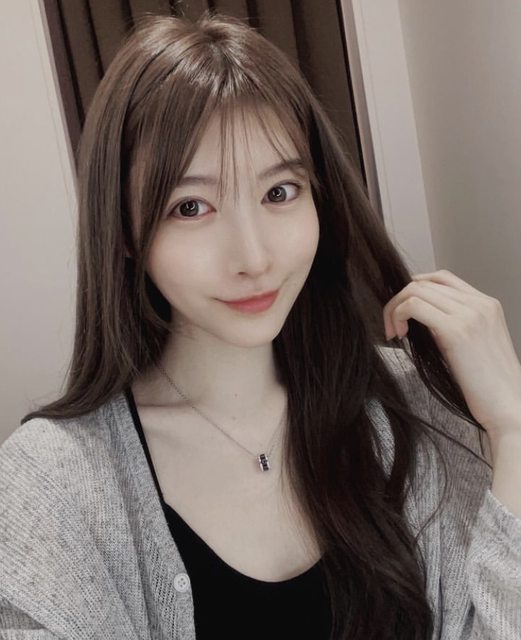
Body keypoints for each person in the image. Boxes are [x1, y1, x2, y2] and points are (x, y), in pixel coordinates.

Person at [1, 9, 520, 640]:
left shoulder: (412, 407)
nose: (253, 257)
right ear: (126, 233)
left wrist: (513, 427)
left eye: (280, 192)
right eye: (191, 206)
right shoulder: (54, 486)